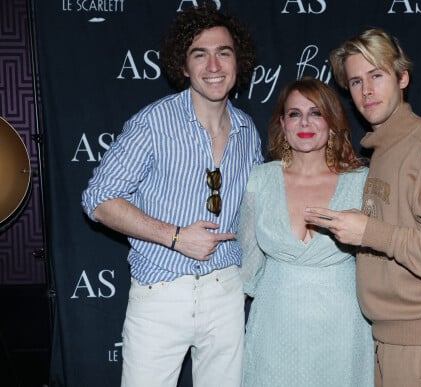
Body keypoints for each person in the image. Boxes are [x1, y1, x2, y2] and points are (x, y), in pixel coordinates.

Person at [81, 4, 263, 387]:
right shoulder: (152, 123)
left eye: (223, 53)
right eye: (200, 54)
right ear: (183, 66)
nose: (213, 65)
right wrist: (177, 237)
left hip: (225, 291)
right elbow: (98, 199)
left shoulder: (248, 131)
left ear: (238, 62)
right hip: (161, 292)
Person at [304, 28, 421, 387]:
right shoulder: (387, 148)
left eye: (377, 75)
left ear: (402, 77)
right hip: (397, 338)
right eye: (356, 82)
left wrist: (370, 233)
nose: (367, 91)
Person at [238, 77, 374, 387]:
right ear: (283, 124)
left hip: (343, 323)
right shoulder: (260, 179)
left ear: (331, 122)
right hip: (275, 320)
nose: (305, 122)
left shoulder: (361, 181)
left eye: (315, 113)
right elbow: (248, 263)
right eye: (295, 114)